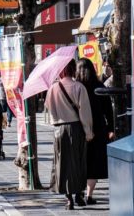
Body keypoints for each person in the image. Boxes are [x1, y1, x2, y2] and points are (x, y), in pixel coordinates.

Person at [46, 59, 94, 210]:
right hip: (76, 128)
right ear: (73, 69)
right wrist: (88, 131)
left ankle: (68, 199)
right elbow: (85, 112)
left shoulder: (53, 88)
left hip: (59, 130)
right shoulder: (79, 87)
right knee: (79, 161)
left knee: (63, 163)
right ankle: (79, 194)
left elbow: (49, 108)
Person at [76, 58, 114, 205]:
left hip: (79, 128)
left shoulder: (76, 87)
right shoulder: (99, 86)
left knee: (80, 161)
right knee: (94, 163)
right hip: (98, 129)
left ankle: (78, 193)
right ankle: (89, 195)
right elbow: (108, 110)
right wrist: (111, 128)